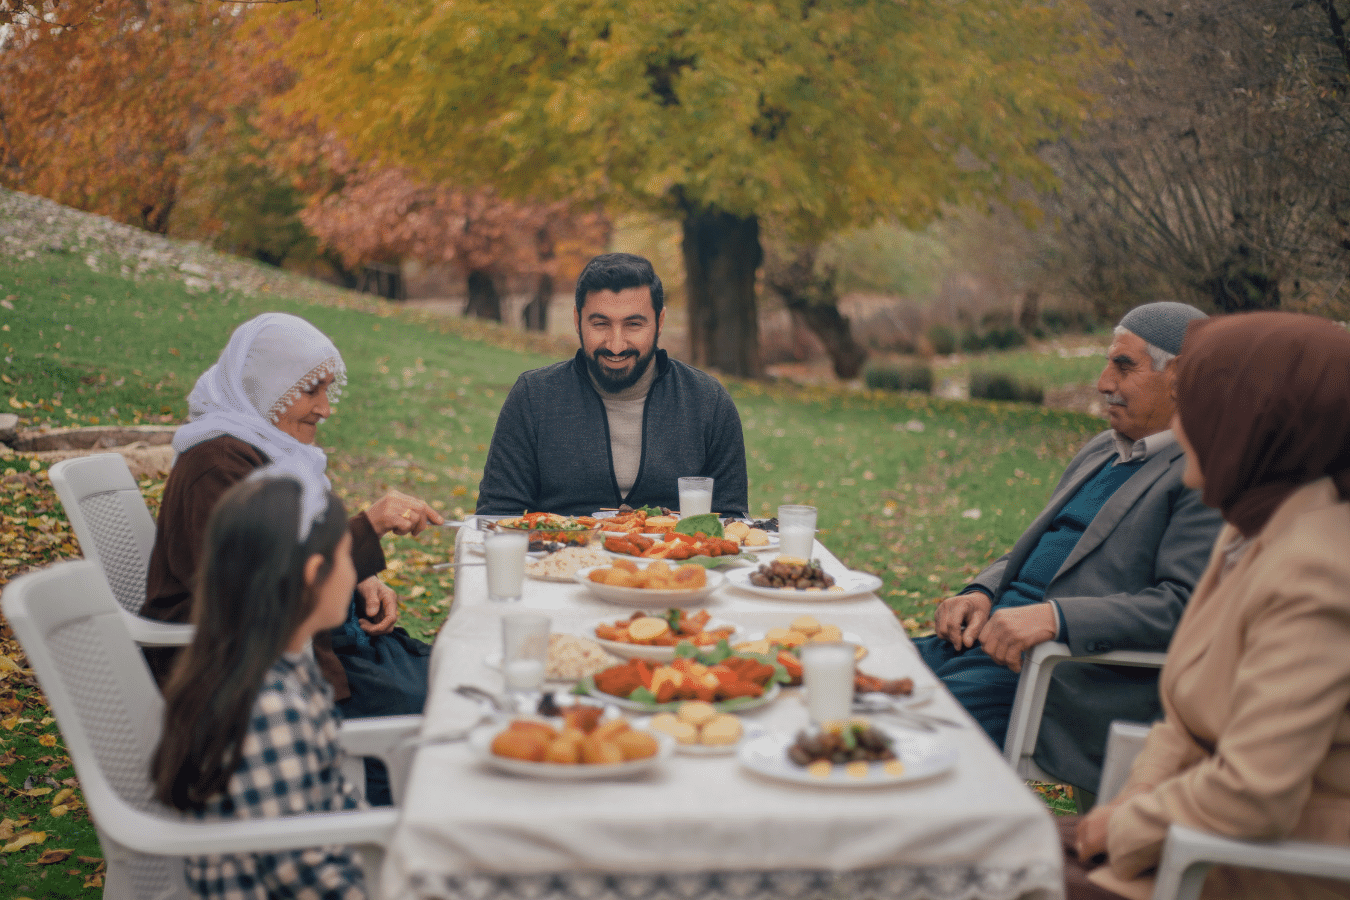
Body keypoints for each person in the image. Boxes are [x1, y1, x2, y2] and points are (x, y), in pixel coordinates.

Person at [1068, 311, 1350, 900]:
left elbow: (1254, 794)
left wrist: (1123, 826)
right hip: (1177, 838)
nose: (1181, 424)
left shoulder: (1318, 570)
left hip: (1248, 868)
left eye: (1195, 405)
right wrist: (1124, 805)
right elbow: (1183, 723)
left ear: (1250, 425)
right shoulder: (1247, 526)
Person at [912, 301, 1223, 797]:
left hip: (1047, 674)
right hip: (980, 641)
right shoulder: (1102, 449)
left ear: (1180, 377)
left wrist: (1057, 618)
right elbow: (1038, 549)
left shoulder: (1200, 475)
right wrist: (981, 590)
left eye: (1124, 366)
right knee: (853, 677)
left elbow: (1183, 607)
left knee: (905, 739)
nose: (1103, 382)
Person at [144, 313, 442, 800]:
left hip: (316, 643)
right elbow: (252, 587)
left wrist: (358, 579)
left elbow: (296, 553)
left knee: (454, 675)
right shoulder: (217, 465)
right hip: (257, 671)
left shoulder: (266, 450)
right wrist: (369, 527)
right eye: (310, 390)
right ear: (266, 388)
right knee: (443, 708)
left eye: (327, 390)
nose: (325, 408)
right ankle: (399, 831)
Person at [153, 475, 369, 900]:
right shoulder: (269, 708)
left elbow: (335, 803)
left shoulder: (287, 667)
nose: (353, 571)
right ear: (314, 575)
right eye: (347, 556)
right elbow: (301, 874)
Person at [476, 252, 749, 517]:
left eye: (633, 324)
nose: (616, 345)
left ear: (660, 321)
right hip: (556, 559)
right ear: (577, 321)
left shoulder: (709, 402)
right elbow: (497, 515)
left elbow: (732, 522)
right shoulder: (533, 398)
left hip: (679, 561)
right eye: (600, 323)